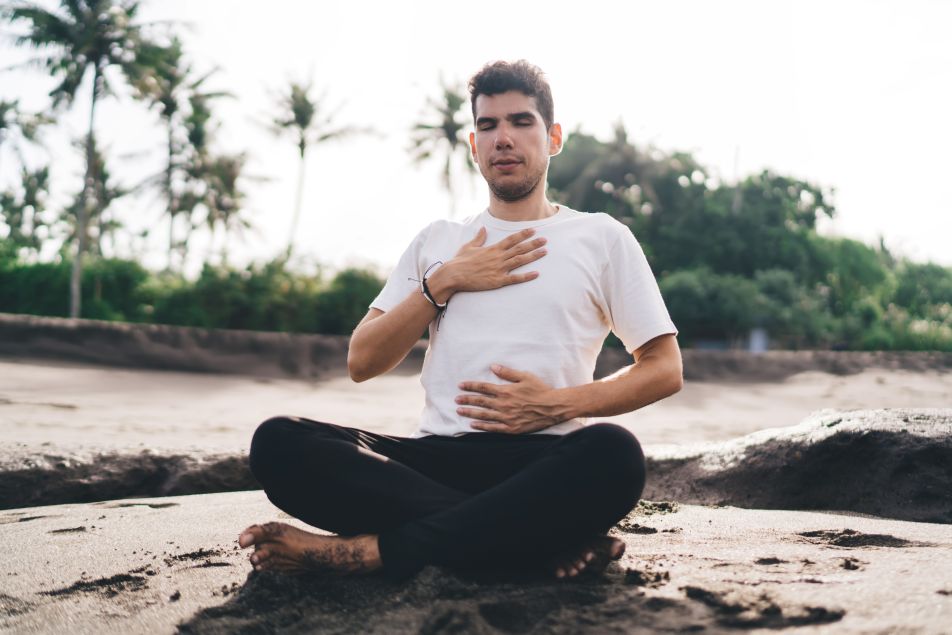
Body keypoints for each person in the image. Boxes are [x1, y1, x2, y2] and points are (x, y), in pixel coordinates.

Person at [239, 60, 682, 581]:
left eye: (521, 122)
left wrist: (554, 405)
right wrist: (443, 283)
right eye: (488, 126)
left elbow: (663, 368)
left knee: (616, 454)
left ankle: (374, 553)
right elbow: (362, 361)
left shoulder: (602, 237)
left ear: (554, 137)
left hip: (544, 464)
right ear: (474, 144)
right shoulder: (438, 242)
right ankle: (535, 540)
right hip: (432, 460)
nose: (503, 140)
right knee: (279, 442)